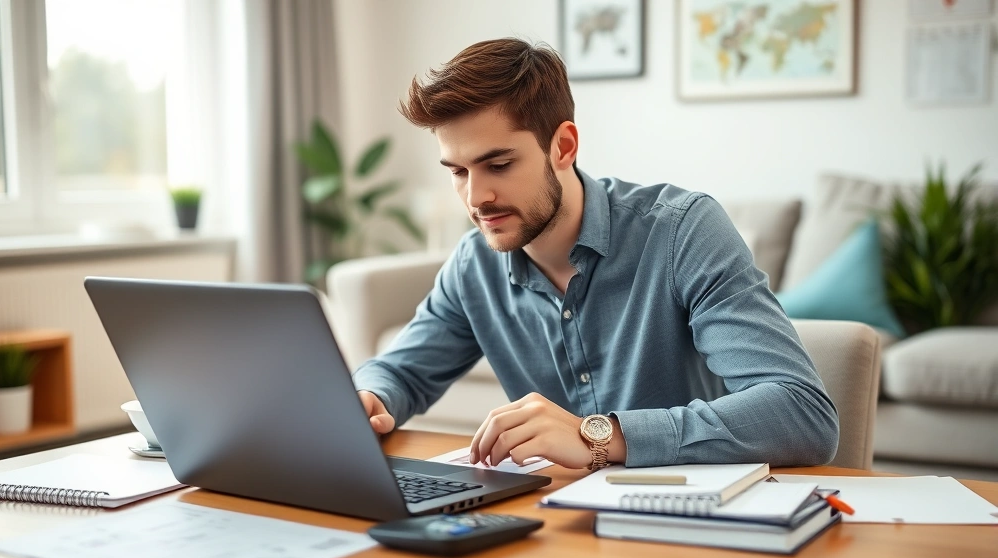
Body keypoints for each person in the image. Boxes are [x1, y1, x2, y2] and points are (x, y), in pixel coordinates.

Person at [353, 38, 839, 471]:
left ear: (563, 146)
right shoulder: (473, 264)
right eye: (458, 171)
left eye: (498, 164)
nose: (475, 197)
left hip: (693, 516)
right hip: (557, 523)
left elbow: (802, 413)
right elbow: (400, 371)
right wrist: (368, 397)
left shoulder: (681, 230)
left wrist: (598, 436)